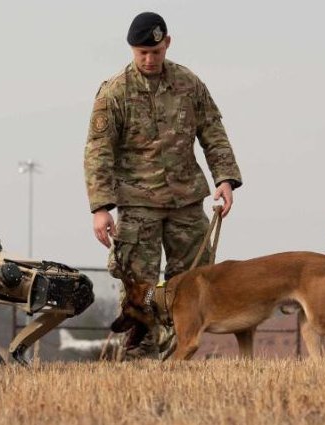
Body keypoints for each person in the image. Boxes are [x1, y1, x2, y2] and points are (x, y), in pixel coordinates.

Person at [83, 12, 243, 359]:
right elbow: (98, 152)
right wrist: (100, 208)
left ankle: (178, 349)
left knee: (193, 281)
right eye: (142, 52)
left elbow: (213, 132)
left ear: (167, 43)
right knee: (138, 284)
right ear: (131, 49)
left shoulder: (189, 84)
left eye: (155, 51)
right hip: (138, 204)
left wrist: (225, 179)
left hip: (186, 200)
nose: (149, 59)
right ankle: (140, 351)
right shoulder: (115, 93)